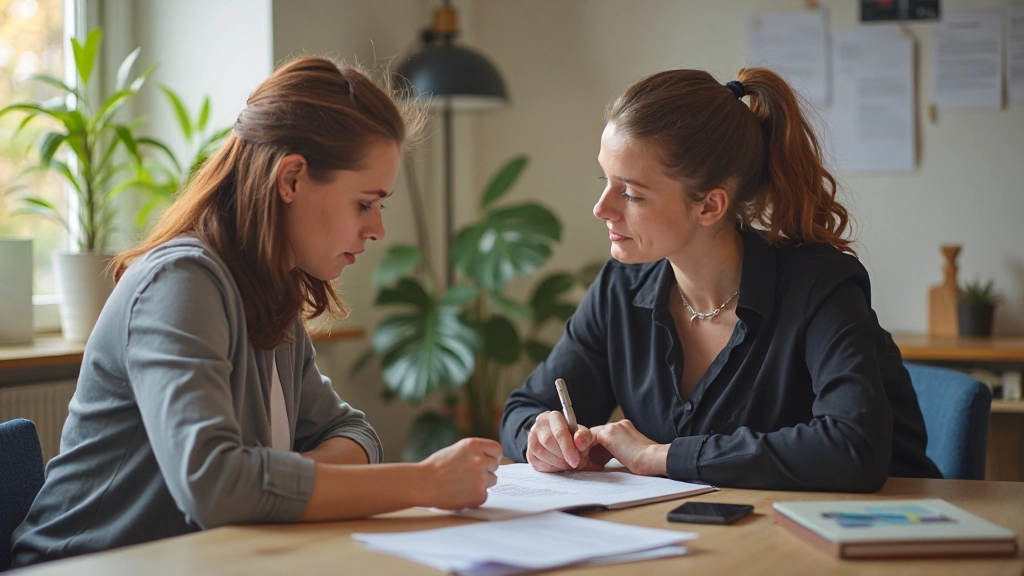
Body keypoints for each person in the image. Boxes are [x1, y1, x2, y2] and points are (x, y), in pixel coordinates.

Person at [12, 57, 501, 568]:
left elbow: (356, 435)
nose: (377, 229)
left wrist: (267, 481)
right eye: (364, 203)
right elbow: (216, 486)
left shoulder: (271, 291)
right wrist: (423, 482)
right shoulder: (180, 283)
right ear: (291, 179)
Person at [499, 67, 940, 492]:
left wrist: (661, 457)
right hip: (710, 529)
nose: (602, 208)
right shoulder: (621, 287)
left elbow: (853, 448)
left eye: (630, 192)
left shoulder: (820, 287)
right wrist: (542, 437)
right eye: (606, 180)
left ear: (710, 206)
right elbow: (524, 408)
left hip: (878, 529)